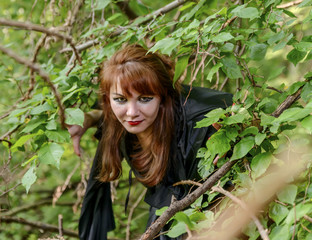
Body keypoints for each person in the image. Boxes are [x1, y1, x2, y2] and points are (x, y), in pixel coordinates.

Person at [69, 44, 233, 240]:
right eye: (120, 100)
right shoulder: (118, 120)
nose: (131, 112)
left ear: (163, 97)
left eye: (145, 99)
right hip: (165, 211)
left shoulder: (199, 127)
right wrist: (87, 118)